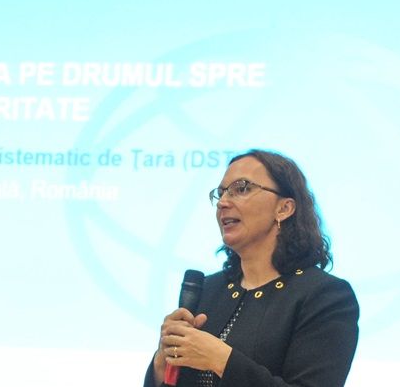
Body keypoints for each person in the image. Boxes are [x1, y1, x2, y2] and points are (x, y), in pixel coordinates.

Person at [144, 149, 359, 387]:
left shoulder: (325, 297)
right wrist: (161, 364)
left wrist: (221, 360)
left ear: (284, 208)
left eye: (242, 188)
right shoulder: (208, 289)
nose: (223, 202)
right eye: (221, 193)